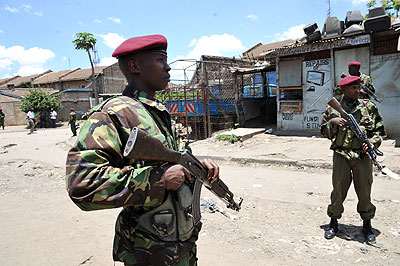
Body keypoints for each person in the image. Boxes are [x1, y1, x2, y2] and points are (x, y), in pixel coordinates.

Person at [65, 34, 219, 266]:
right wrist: (158, 180)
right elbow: (82, 184)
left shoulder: (153, 111)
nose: (168, 67)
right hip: (146, 253)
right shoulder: (113, 114)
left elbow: (168, 162)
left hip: (178, 247)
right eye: (160, 59)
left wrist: (196, 167)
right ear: (135, 66)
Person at [321, 75, 386, 244]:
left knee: (364, 191)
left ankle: (367, 224)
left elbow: (380, 132)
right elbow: (323, 131)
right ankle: (334, 223)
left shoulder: (368, 107)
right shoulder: (332, 110)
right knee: (338, 190)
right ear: (344, 90)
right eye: (354, 88)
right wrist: (332, 123)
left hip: (362, 156)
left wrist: (372, 143)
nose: (358, 90)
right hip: (341, 155)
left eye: (359, 87)